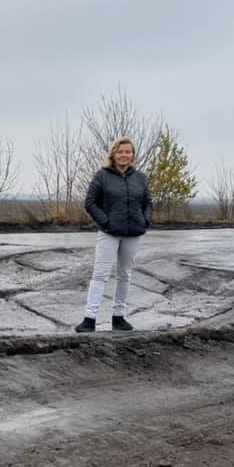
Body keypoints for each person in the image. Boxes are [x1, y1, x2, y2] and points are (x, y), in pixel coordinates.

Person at [75, 137, 152, 333]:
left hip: (133, 233)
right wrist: (106, 222)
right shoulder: (102, 176)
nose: (124, 155)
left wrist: (145, 221)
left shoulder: (140, 178)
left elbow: (148, 203)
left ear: (132, 154)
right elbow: (90, 202)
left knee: (124, 275)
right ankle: (89, 319)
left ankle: (119, 317)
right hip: (109, 233)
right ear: (113, 154)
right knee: (100, 274)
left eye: (128, 151)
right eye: (120, 151)